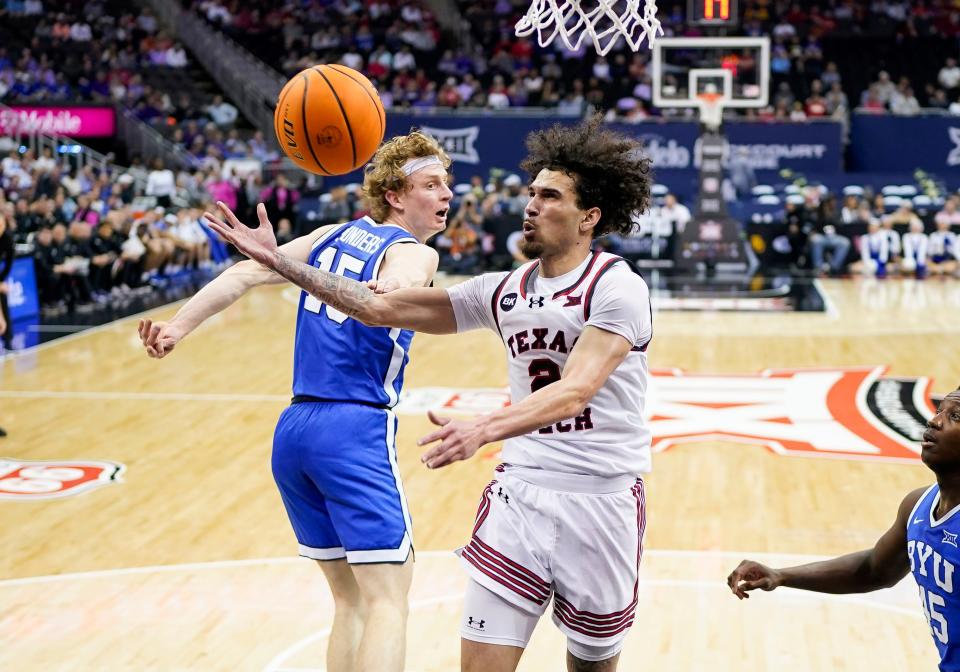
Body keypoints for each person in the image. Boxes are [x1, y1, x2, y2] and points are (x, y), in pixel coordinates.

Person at [203, 115, 654, 672]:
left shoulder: (617, 286)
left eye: (550, 196)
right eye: (531, 193)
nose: (530, 205)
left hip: (601, 499)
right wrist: (280, 264)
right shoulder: (501, 290)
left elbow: (574, 391)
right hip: (520, 495)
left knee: (590, 665)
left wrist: (483, 428)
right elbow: (376, 307)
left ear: (590, 216)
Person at [138, 131, 453, 672]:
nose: (446, 193)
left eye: (446, 183)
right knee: (387, 600)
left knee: (350, 599)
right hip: (353, 428)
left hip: (294, 432)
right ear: (396, 196)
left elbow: (245, 270)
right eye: (431, 184)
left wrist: (177, 327)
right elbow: (398, 283)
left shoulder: (330, 235)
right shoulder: (414, 252)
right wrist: (387, 291)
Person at [727, 388, 960, 672]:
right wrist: (781, 575)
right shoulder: (918, 506)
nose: (935, 421)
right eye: (939, 411)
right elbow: (874, 569)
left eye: (955, 416)